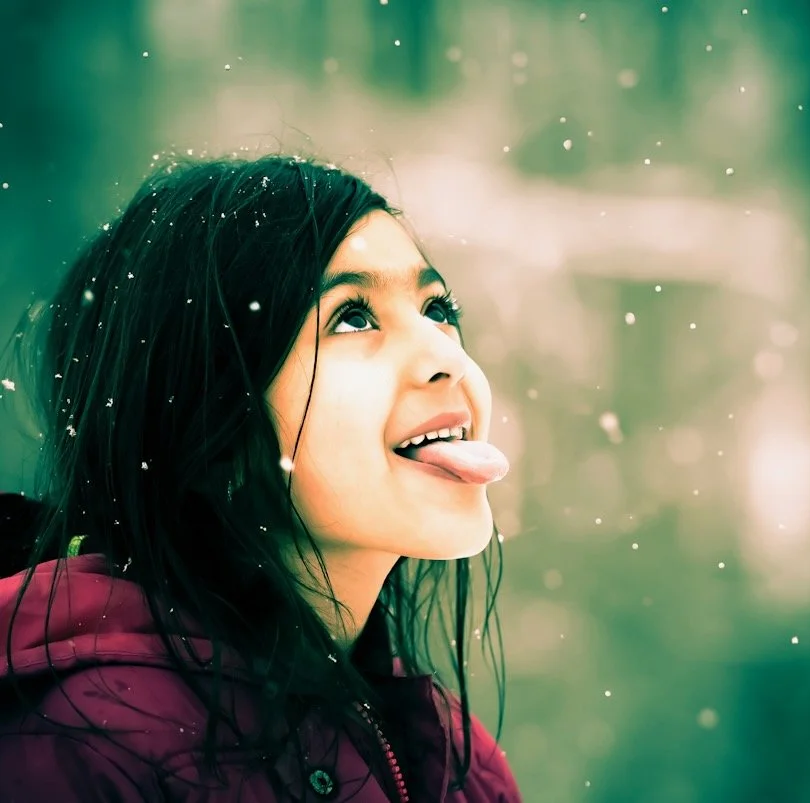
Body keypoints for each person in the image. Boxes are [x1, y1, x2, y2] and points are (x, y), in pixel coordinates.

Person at [0, 154, 521, 802]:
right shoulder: (87, 747)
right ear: (215, 431)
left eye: (438, 308)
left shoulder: (460, 769)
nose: (447, 356)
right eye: (352, 316)